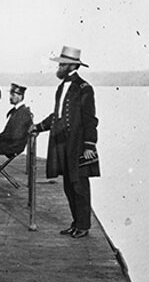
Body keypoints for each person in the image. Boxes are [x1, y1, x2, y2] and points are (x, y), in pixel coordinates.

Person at [30, 46, 99, 238]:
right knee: (69, 185)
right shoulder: (62, 87)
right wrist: (39, 126)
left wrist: (89, 146)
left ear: (71, 65)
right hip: (62, 145)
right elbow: (58, 116)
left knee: (79, 186)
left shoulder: (85, 88)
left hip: (78, 145)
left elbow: (90, 119)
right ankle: (76, 223)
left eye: (61, 64)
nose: (58, 67)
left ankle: (84, 226)